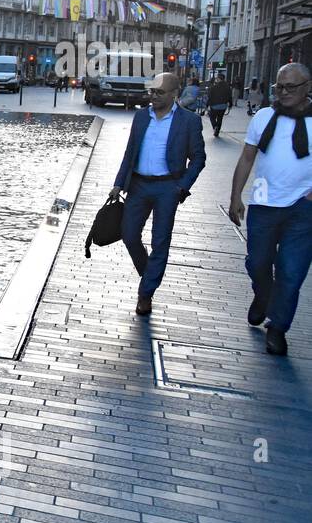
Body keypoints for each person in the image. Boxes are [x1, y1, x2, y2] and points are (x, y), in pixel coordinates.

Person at [228, 62, 312, 356]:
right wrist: (235, 195)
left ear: (307, 88)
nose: (284, 92)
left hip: (303, 209)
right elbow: (247, 157)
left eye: (291, 87)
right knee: (257, 263)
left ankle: (277, 328)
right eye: (280, 87)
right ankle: (263, 296)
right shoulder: (264, 116)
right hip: (263, 204)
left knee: (291, 271)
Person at [109, 72, 207, 316]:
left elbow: (198, 158)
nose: (153, 96)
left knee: (160, 241)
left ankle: (146, 293)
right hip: (139, 185)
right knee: (129, 234)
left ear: (175, 93)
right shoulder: (142, 117)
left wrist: (182, 187)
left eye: (159, 92)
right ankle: (149, 272)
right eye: (152, 91)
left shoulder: (189, 121)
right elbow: (130, 152)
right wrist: (119, 183)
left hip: (168, 187)